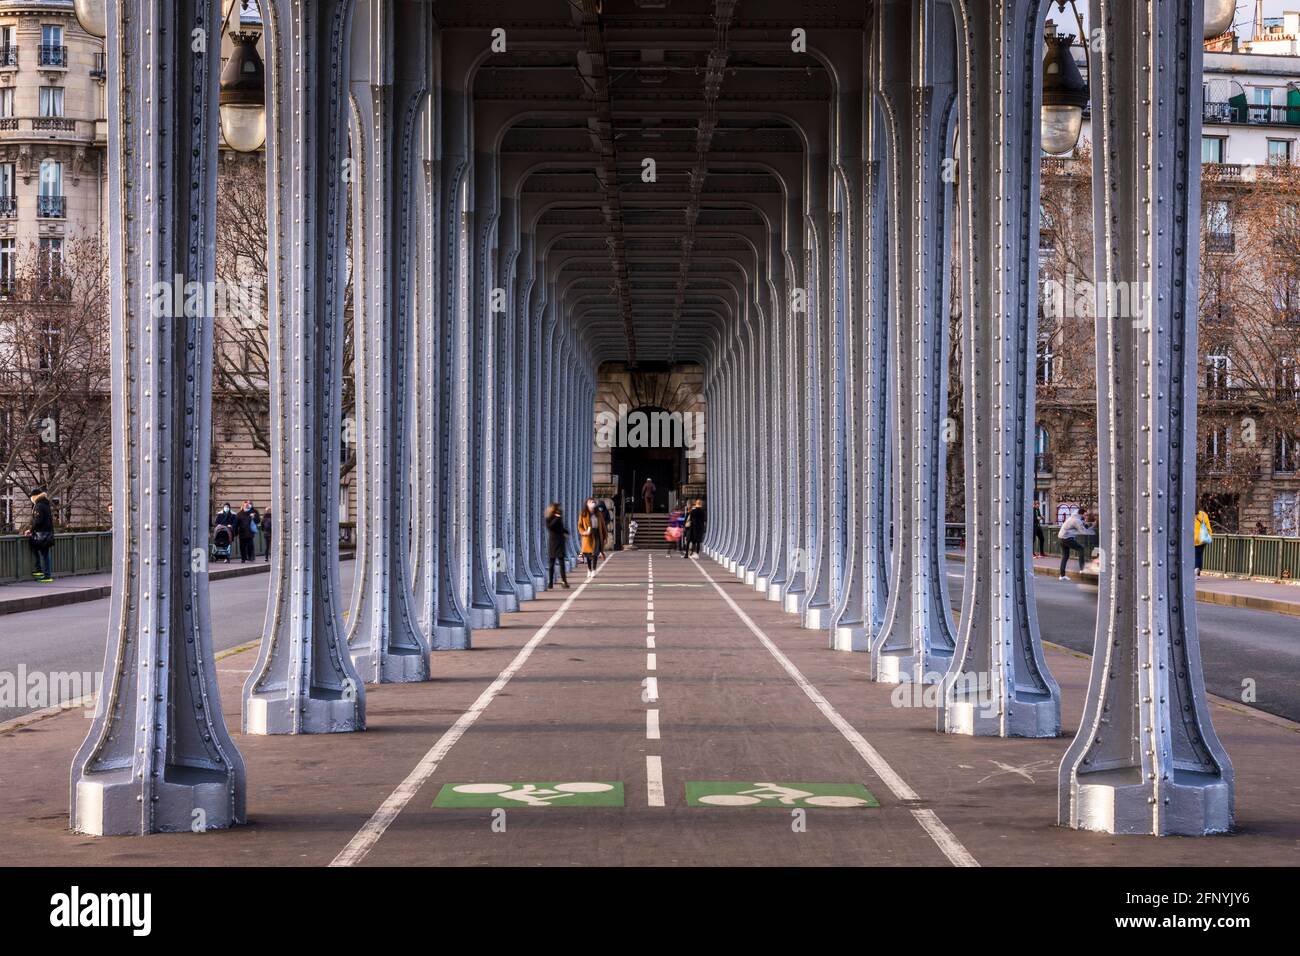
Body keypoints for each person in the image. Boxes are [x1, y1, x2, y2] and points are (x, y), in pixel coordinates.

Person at [24, 487, 55, 582]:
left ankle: (47, 575)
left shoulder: (39, 505)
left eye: (31, 497)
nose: (31, 498)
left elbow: (38, 521)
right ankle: (40, 570)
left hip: (42, 533)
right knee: (38, 550)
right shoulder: (45, 504)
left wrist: (30, 530)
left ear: (35, 496)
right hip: (47, 532)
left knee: (44, 554)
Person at [1057, 506, 1092, 580]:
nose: (1085, 516)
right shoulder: (1077, 520)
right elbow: (1083, 530)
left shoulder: (1073, 517)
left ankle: (1062, 576)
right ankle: (1082, 569)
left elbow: (1082, 525)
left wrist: (1086, 523)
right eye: (1085, 515)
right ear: (1081, 514)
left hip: (1061, 537)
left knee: (1065, 556)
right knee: (1081, 548)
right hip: (1067, 538)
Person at [577, 498, 606, 577]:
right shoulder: (583, 514)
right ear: (586, 504)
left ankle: (594, 569)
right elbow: (580, 526)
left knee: (595, 553)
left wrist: (604, 536)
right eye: (590, 502)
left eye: (593, 502)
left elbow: (603, 525)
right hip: (588, 536)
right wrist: (584, 532)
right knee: (588, 554)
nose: (592, 503)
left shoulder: (598, 513)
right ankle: (589, 569)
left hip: (596, 534)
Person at [544, 502, 569, 589]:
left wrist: (566, 531)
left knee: (562, 563)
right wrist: (557, 518)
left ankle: (564, 581)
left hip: (560, 542)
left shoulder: (558, 517)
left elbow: (560, 528)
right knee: (552, 563)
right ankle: (550, 582)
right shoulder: (549, 518)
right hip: (554, 542)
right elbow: (550, 527)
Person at [1193, 507, 1214, 576]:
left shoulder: (1188, 514)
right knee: (1199, 555)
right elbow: (1208, 526)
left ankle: (1195, 569)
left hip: (1192, 538)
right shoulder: (1203, 514)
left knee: (1193, 555)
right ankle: (1198, 573)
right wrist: (1209, 535)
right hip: (1202, 538)